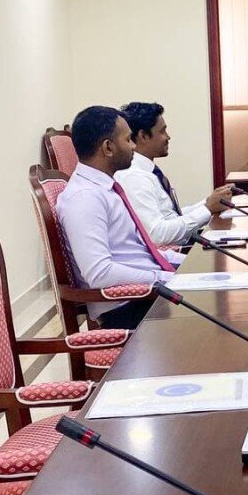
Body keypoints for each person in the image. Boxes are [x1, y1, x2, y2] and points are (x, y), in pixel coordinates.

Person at [56, 106, 183, 329]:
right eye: (128, 140)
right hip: (131, 307)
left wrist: (188, 265)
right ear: (108, 147)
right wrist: (163, 278)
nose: (134, 146)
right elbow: (100, 273)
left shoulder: (106, 187)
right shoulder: (85, 198)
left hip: (148, 295)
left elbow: (139, 252)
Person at [114, 102, 232, 246]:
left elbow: (171, 217)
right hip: (171, 253)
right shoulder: (134, 177)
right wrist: (207, 209)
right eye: (162, 131)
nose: (168, 137)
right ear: (143, 136)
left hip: (180, 246)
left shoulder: (147, 171)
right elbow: (156, 235)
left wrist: (211, 202)